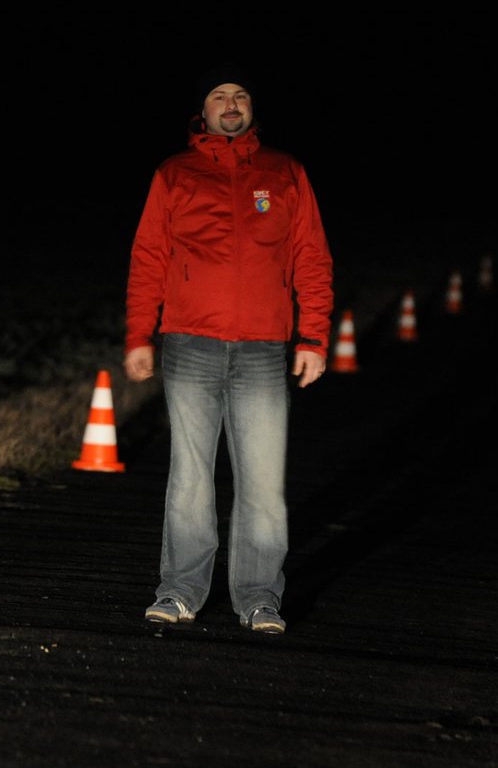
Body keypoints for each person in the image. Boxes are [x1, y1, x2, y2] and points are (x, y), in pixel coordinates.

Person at [124, 64, 334, 635]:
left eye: (240, 95)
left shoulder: (285, 172)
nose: (232, 104)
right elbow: (149, 258)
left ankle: (259, 597)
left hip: (265, 347)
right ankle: (180, 590)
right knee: (190, 476)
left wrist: (314, 336)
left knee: (263, 482)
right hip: (190, 342)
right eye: (221, 96)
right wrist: (139, 334)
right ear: (204, 109)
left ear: (252, 107)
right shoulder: (175, 174)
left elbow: (311, 257)